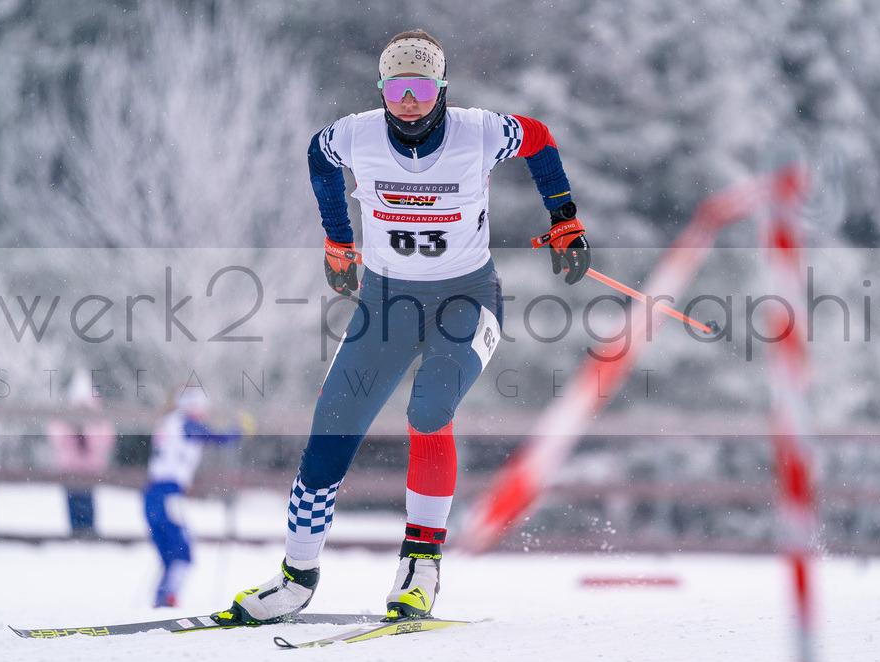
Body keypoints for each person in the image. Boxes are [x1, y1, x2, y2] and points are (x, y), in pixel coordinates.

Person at [216, 28, 589, 624]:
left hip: (468, 298)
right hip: (386, 302)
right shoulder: (357, 135)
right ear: (382, 90)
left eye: (420, 87)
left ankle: (420, 566)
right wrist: (339, 240)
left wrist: (564, 218)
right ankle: (296, 578)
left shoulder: (479, 132)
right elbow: (318, 154)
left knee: (429, 408)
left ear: (440, 89)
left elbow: (539, 139)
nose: (408, 101)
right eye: (396, 87)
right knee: (332, 427)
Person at [145, 385, 245, 608]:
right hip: (168, 495)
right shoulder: (185, 423)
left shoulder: (170, 421)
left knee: (171, 555)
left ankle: (162, 599)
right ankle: (166, 600)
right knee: (182, 553)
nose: (203, 414)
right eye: (201, 408)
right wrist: (238, 428)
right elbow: (219, 438)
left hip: (153, 495)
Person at [47, 369, 116, 539]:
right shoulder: (66, 418)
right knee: (72, 502)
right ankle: (75, 532)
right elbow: (55, 436)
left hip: (89, 469)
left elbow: (106, 439)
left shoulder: (97, 418)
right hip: (70, 468)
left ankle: (88, 531)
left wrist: (86, 431)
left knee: (87, 501)